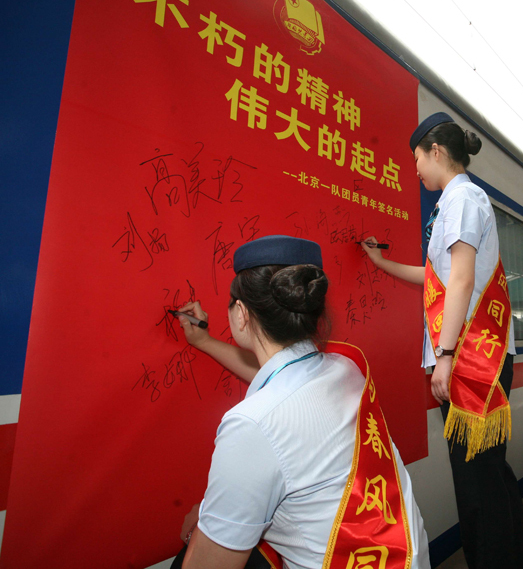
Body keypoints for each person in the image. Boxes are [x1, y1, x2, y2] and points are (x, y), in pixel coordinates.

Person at [173, 235, 429, 569]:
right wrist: (205, 342)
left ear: (240, 314)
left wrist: (203, 528)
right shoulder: (347, 369)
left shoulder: (251, 424)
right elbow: (281, 378)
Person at [361, 112, 523, 569]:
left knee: (477, 488)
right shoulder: (460, 202)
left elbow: (458, 282)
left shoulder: (460, 200)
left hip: (469, 358)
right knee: (491, 478)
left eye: (416, 159)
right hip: (477, 355)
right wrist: (383, 266)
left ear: (435, 151)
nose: (415, 170)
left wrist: (443, 355)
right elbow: (438, 276)